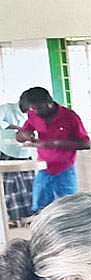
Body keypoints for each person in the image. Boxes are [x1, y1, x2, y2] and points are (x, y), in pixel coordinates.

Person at [14, 86, 89, 212]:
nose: (35, 112)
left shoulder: (69, 116)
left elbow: (86, 144)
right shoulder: (33, 114)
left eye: (38, 108)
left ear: (48, 103)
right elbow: (20, 135)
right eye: (32, 109)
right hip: (43, 168)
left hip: (65, 168)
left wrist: (55, 143)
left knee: (70, 208)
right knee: (40, 208)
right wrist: (24, 135)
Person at [0, 95, 35, 225]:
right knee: (10, 187)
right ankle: (13, 218)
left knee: (29, 185)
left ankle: (28, 217)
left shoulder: (34, 114)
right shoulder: (6, 109)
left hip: (25, 153)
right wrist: (16, 128)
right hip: (7, 152)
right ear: (23, 103)